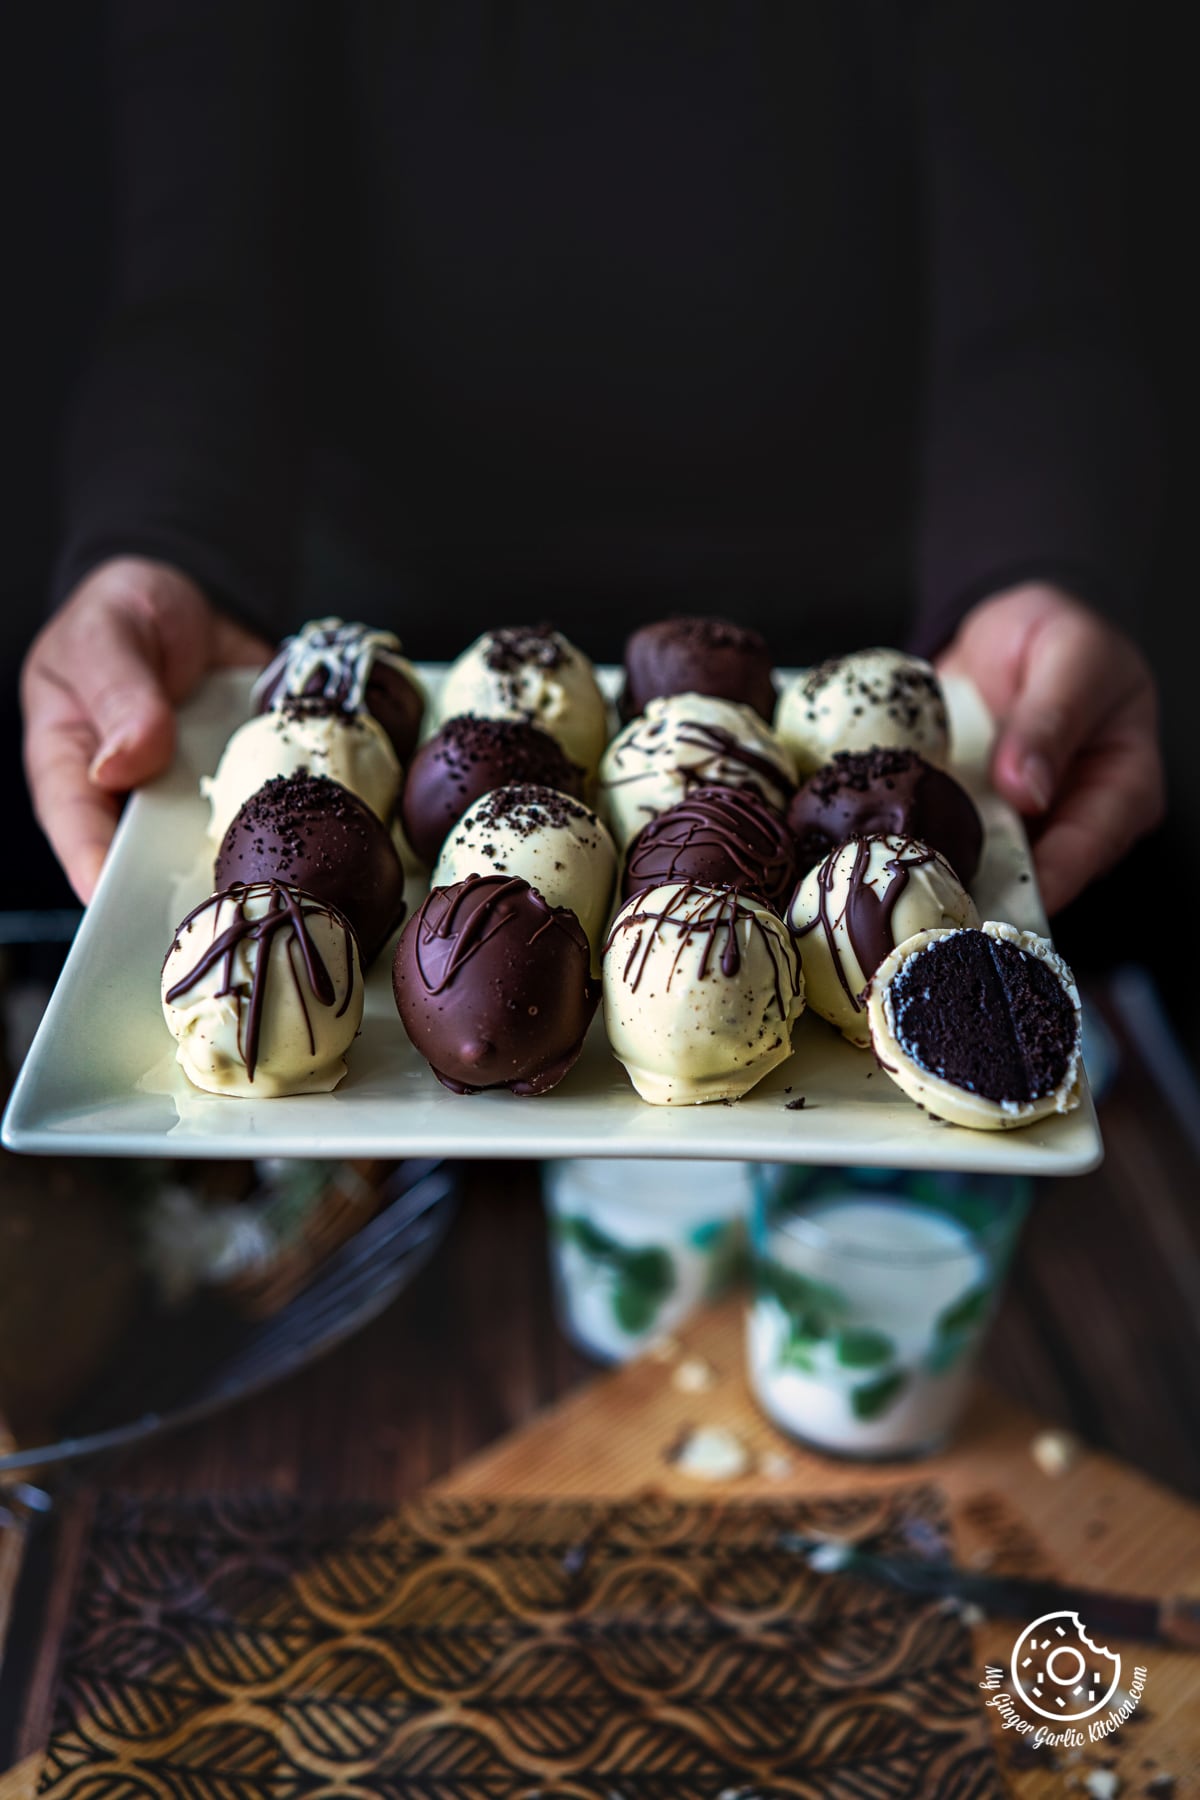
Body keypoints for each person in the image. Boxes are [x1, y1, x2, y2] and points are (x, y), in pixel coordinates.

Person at [21, 2, 1163, 915]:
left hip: (865, 659)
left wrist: (1041, 558)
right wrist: (151, 544)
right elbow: (197, 285)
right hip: (384, 663)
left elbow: (1041, 271)